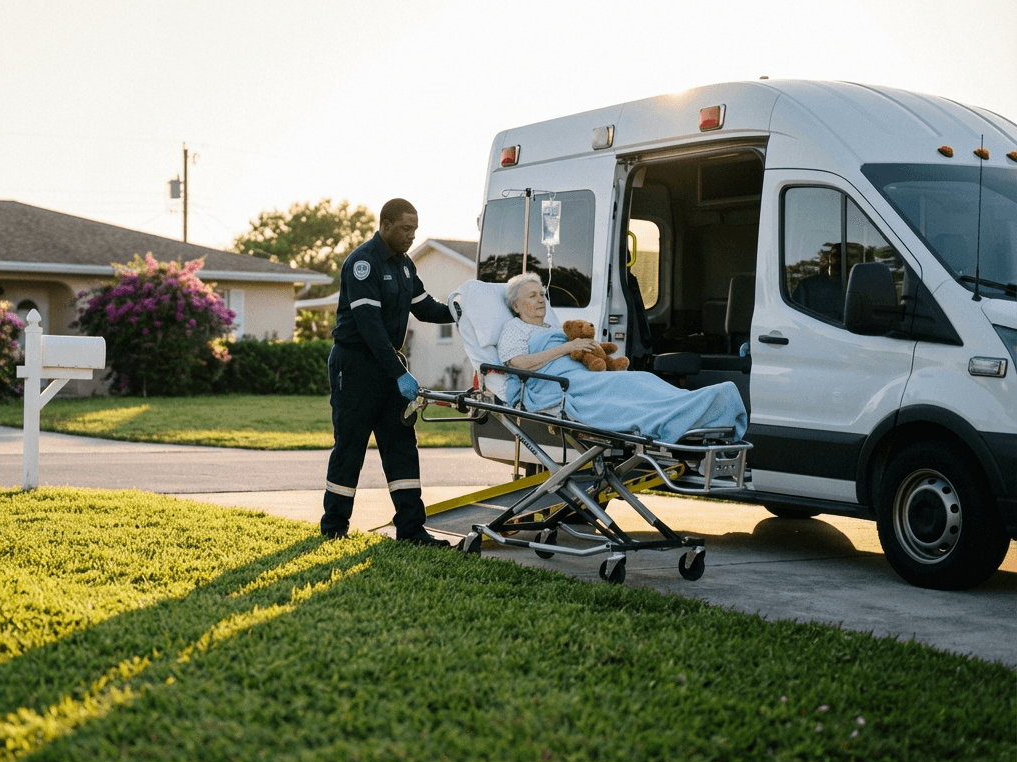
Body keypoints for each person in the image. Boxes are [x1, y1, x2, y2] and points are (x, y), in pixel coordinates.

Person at [321, 199, 456, 546]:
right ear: (385, 225)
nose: (412, 236)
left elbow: (426, 308)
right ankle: (334, 528)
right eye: (405, 229)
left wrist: (463, 312)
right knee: (350, 447)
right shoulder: (362, 263)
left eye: (415, 229)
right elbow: (370, 328)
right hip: (354, 366)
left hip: (389, 368)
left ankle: (411, 530)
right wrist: (400, 372)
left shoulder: (405, 266)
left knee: (401, 447)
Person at [497, 273, 747, 442]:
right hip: (556, 386)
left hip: (582, 377)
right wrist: (566, 348)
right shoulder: (515, 329)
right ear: (517, 306)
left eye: (542, 294)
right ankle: (694, 410)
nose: (541, 299)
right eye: (532, 296)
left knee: (642, 380)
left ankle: (700, 405)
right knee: (629, 386)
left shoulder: (553, 329)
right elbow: (517, 364)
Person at [789, 243, 845, 321]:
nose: (840, 259)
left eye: (846, 256)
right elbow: (796, 318)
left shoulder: (858, 286)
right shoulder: (807, 286)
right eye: (836, 255)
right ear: (829, 258)